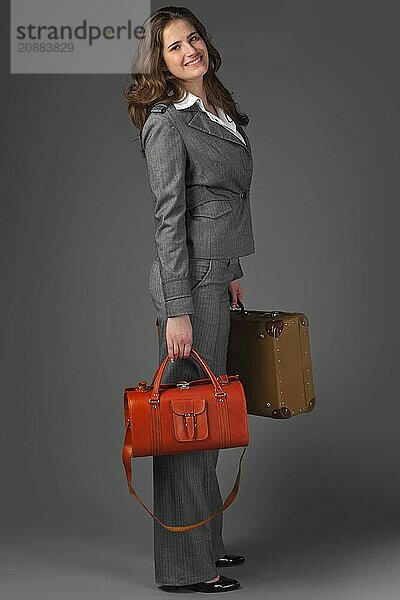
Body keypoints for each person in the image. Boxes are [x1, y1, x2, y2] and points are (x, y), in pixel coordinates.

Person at [124, 5, 255, 593]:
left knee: (210, 417)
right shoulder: (166, 122)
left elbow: (217, 204)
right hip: (189, 288)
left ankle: (207, 543)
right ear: (161, 62)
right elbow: (169, 217)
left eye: (193, 38)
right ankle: (183, 569)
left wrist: (227, 269)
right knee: (189, 424)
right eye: (174, 47)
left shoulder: (214, 107)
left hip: (211, 277)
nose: (188, 51)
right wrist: (178, 307)